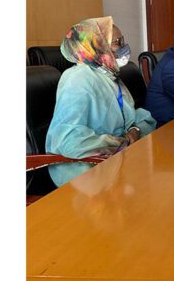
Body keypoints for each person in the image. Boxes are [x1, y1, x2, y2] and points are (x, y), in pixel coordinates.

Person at [45, 16, 157, 187]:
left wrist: (135, 130)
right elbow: (68, 140)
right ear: (96, 47)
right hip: (85, 170)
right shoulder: (77, 79)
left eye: (122, 41)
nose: (124, 47)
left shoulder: (108, 75)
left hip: (119, 159)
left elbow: (133, 117)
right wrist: (120, 141)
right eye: (118, 42)